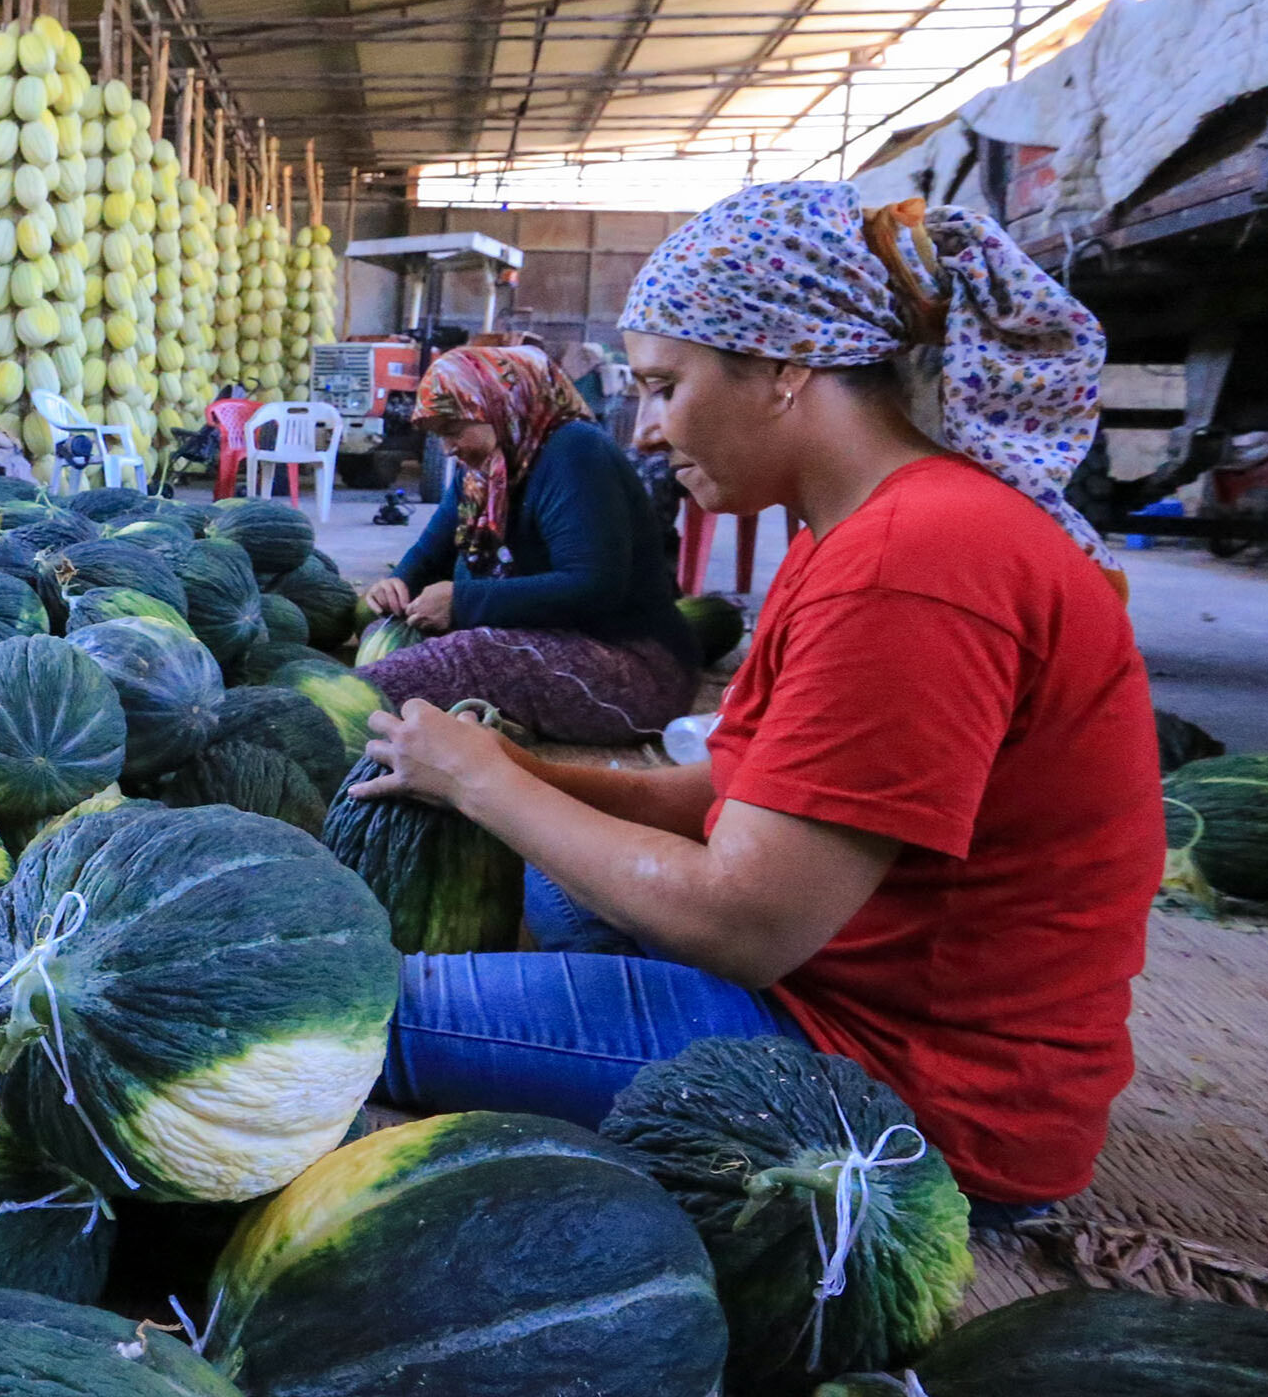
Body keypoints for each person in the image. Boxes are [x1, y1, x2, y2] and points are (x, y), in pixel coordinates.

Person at [352, 183, 1159, 1218]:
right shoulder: (862, 532)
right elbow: (739, 789)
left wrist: (483, 790)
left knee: (361, 1016)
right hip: (829, 991)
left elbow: (744, 926)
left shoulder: (915, 562)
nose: (643, 433)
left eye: (662, 387)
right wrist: (522, 775)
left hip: (900, 1096)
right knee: (548, 869)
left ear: (783, 368)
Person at [358, 343, 701, 743]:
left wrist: (461, 601)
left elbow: (592, 587)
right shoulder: (484, 471)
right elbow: (430, 552)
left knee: (471, 658)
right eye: (439, 436)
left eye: (453, 430)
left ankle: (312, 715)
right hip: (539, 640)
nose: (448, 448)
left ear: (500, 406)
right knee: (389, 634)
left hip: (632, 668)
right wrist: (398, 584)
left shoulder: (575, 452)